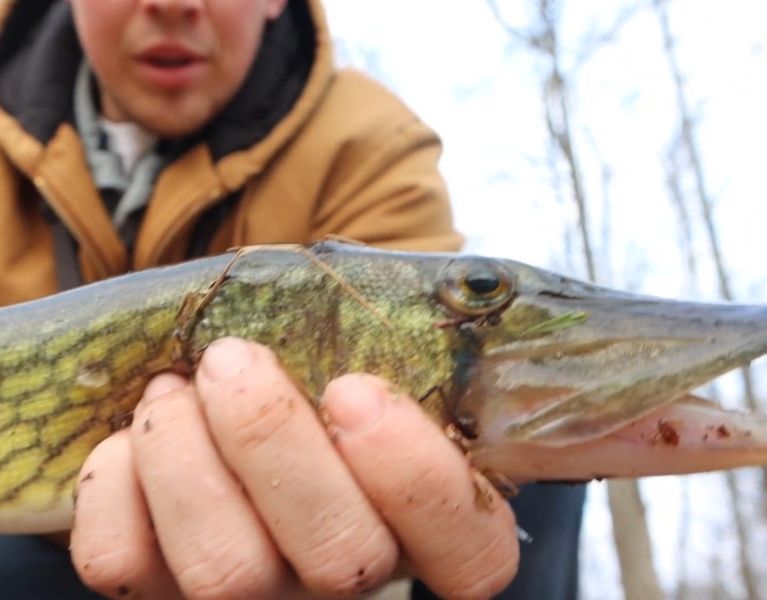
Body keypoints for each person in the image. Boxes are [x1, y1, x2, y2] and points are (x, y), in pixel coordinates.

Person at [0, 0, 585, 597]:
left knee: (507, 423)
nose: (172, 5)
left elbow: (411, 379)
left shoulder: (367, 139)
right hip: (38, 547)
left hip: (301, 537)